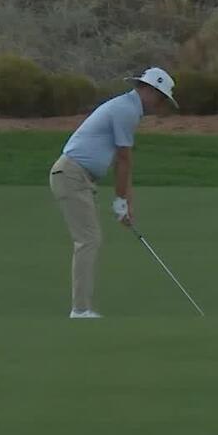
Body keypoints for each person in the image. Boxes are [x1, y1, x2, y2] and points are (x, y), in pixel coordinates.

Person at [49, 67, 178, 319]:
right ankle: (80, 309)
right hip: (71, 174)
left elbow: (124, 164)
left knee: (90, 238)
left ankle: (81, 307)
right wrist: (120, 201)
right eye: (160, 97)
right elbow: (123, 159)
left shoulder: (128, 108)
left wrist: (126, 203)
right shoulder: (126, 109)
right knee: (89, 239)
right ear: (148, 90)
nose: (160, 104)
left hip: (79, 177)